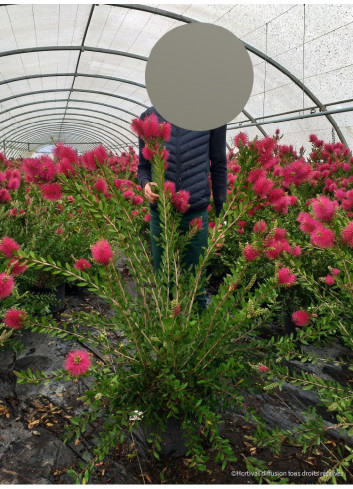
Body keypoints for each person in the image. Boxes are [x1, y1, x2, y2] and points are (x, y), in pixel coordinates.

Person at [137, 106, 228, 310]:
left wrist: (222, 218)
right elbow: (143, 167)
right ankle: (167, 336)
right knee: (165, 281)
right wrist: (145, 184)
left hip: (195, 213)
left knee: (195, 284)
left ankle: (195, 334)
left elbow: (219, 165)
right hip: (162, 213)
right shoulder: (148, 118)